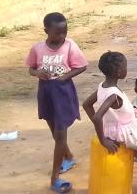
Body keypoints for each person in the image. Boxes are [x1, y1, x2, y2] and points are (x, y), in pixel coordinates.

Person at [83, 52, 137, 194]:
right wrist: (103, 140)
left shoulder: (103, 86)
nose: (127, 69)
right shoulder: (114, 95)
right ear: (119, 72)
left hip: (118, 129)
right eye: (125, 66)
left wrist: (106, 130)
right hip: (126, 131)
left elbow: (86, 105)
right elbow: (97, 117)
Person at [25, 12, 87, 193]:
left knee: (60, 134)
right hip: (45, 92)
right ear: (46, 31)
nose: (62, 36)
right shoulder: (37, 48)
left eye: (64, 32)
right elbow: (31, 68)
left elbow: (81, 66)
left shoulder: (70, 46)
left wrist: (65, 77)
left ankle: (55, 179)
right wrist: (38, 74)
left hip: (63, 92)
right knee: (53, 128)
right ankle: (69, 157)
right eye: (57, 33)